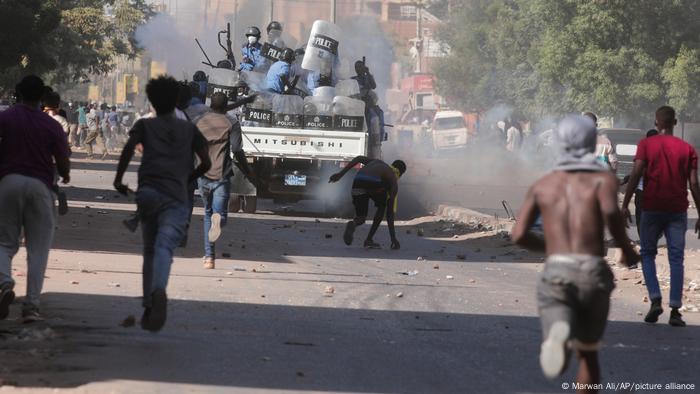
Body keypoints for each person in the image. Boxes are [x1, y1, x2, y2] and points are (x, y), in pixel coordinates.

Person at [511, 115, 639, 390]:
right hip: (592, 271)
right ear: (591, 141)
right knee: (589, 356)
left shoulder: (544, 185)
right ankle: (574, 345)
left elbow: (519, 234)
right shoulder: (602, 181)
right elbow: (610, 214)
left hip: (558, 270)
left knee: (560, 325)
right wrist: (628, 250)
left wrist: (550, 248)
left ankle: (559, 337)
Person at [114, 76, 211, 332]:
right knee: (165, 248)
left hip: (148, 194)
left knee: (149, 250)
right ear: (178, 100)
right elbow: (207, 163)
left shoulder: (145, 125)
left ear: (152, 100)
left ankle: (149, 304)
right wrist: (187, 179)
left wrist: (118, 180)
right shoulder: (189, 129)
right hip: (175, 197)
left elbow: (127, 150)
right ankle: (159, 291)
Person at [0, 75, 71, 322]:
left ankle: (4, 284)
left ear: (17, 93)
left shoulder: (5, 118)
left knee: (4, 243)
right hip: (41, 187)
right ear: (42, 97)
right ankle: (31, 307)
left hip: (7, 183)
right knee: (38, 250)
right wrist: (65, 175)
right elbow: (62, 163)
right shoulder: (51, 125)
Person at [622, 106, 700, 327]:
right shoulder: (687, 149)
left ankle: (655, 298)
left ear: (656, 123)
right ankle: (675, 309)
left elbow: (636, 173)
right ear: (675, 122)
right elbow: (693, 184)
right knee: (676, 257)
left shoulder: (646, 145)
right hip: (677, 210)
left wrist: (625, 204)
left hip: (651, 208)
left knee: (647, 253)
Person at [195, 92, 255, 270]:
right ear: (226, 105)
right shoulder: (232, 122)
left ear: (210, 105)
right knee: (219, 216)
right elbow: (237, 149)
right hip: (221, 175)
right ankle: (218, 222)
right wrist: (248, 172)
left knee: (207, 213)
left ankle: (209, 257)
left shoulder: (199, 122)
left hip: (202, 175)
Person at [329, 157, 406, 250]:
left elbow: (358, 159)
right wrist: (393, 239)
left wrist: (340, 174)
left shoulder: (377, 162)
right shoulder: (393, 181)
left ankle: (353, 224)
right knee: (382, 206)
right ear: (400, 174)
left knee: (361, 218)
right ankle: (369, 239)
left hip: (358, 181)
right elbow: (389, 214)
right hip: (373, 183)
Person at [633, 129, 659, 237]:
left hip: (642, 190)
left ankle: (644, 239)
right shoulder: (663, 151)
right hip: (657, 190)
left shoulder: (642, 150)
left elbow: (637, 171)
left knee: (640, 216)